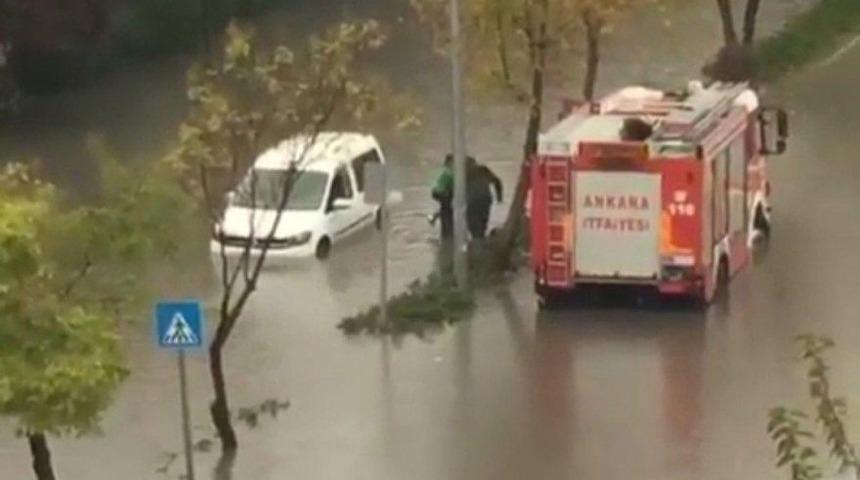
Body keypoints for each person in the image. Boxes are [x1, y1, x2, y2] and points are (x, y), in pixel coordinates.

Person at [466, 156, 503, 239]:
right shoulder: (483, 169)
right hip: (485, 199)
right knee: (482, 221)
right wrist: (499, 197)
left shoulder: (463, 173)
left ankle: (477, 240)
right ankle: (480, 239)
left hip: (473, 200)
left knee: (472, 223)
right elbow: (497, 181)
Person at [430, 154, 454, 239]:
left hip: (436, 192)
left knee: (446, 208)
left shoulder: (443, 170)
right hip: (442, 193)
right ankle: (447, 234)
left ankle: (435, 217)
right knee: (448, 210)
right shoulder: (449, 172)